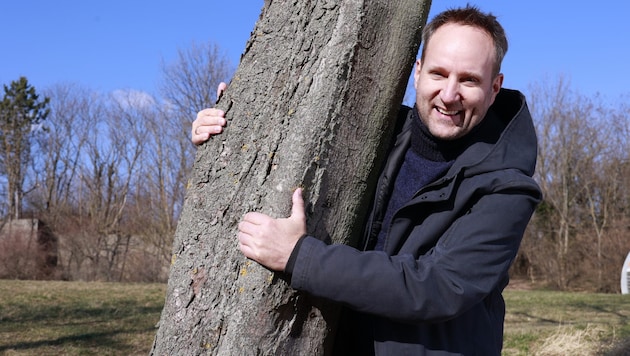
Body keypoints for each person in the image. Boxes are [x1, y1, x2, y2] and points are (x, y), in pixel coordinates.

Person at [192, 5, 541, 355]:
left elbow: (438, 286)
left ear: (495, 88)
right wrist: (232, 123)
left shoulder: (509, 187)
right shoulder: (376, 133)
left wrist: (301, 257)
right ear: (417, 73)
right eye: (439, 73)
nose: (449, 95)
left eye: (469, 80)